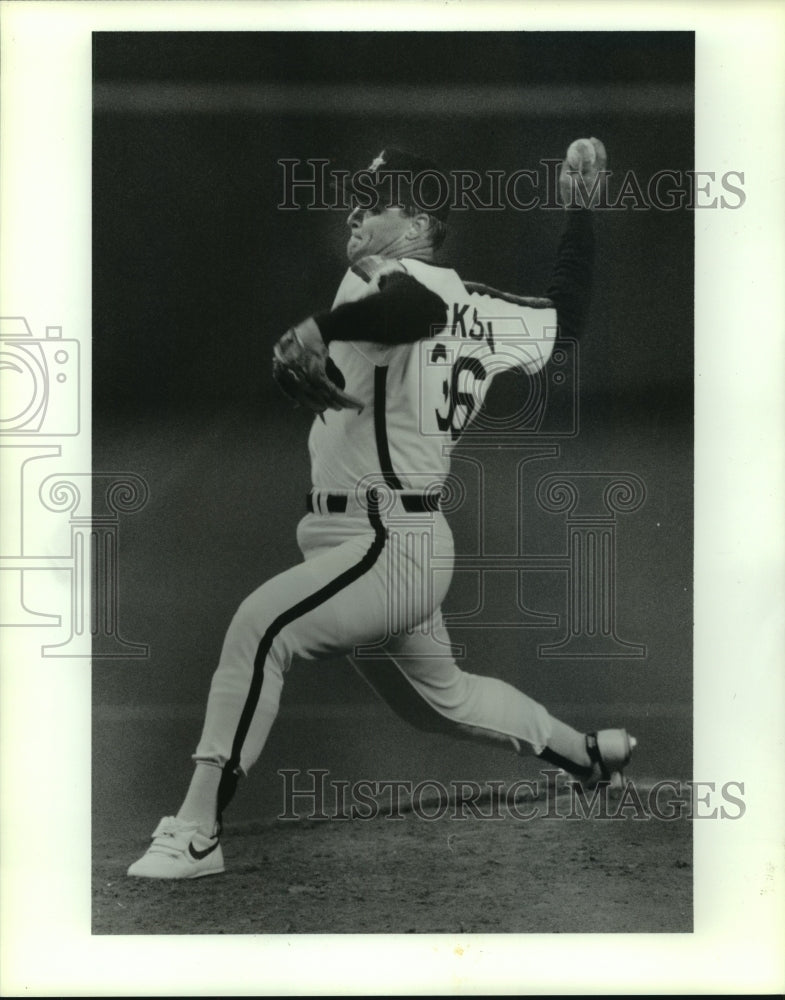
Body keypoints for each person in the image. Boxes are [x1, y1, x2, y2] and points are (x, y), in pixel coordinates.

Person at [128, 140, 636, 880]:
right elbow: (568, 315)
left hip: (385, 541)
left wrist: (317, 329)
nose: (355, 211)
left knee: (261, 628)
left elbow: (414, 308)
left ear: (420, 224)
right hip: (386, 537)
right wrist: (580, 213)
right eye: (358, 198)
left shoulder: (394, 279)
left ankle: (197, 830)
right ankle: (585, 755)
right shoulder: (478, 305)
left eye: (377, 200)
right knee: (442, 701)